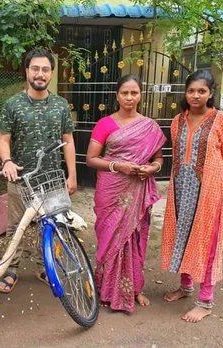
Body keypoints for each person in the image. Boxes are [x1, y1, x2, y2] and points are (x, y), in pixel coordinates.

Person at [0, 49, 77, 293]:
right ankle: (11, 269)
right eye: (35, 68)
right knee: (16, 227)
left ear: (51, 73)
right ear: (27, 71)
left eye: (45, 69)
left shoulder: (61, 105)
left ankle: (46, 266)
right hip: (20, 179)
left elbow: (68, 141)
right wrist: (7, 161)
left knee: (52, 224)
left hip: (52, 179)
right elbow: (3, 139)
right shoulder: (13, 105)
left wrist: (72, 175)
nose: (40, 74)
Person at [161, 70, 223, 323]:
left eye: (201, 91)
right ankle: (185, 287)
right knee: (182, 235)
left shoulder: (222, 120)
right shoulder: (177, 120)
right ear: (185, 92)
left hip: (209, 191)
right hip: (181, 188)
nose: (196, 95)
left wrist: (212, 184)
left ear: (211, 93)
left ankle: (205, 301)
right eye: (191, 90)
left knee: (208, 241)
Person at [86, 74, 166, 312]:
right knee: (109, 238)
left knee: (135, 238)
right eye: (125, 93)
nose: (129, 97)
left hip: (137, 192)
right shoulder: (105, 124)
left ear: (140, 95)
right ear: (117, 96)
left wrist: (152, 168)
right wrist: (117, 166)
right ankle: (106, 288)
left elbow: (159, 159)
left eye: (134, 93)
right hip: (111, 191)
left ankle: (135, 289)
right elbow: (91, 159)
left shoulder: (149, 126)